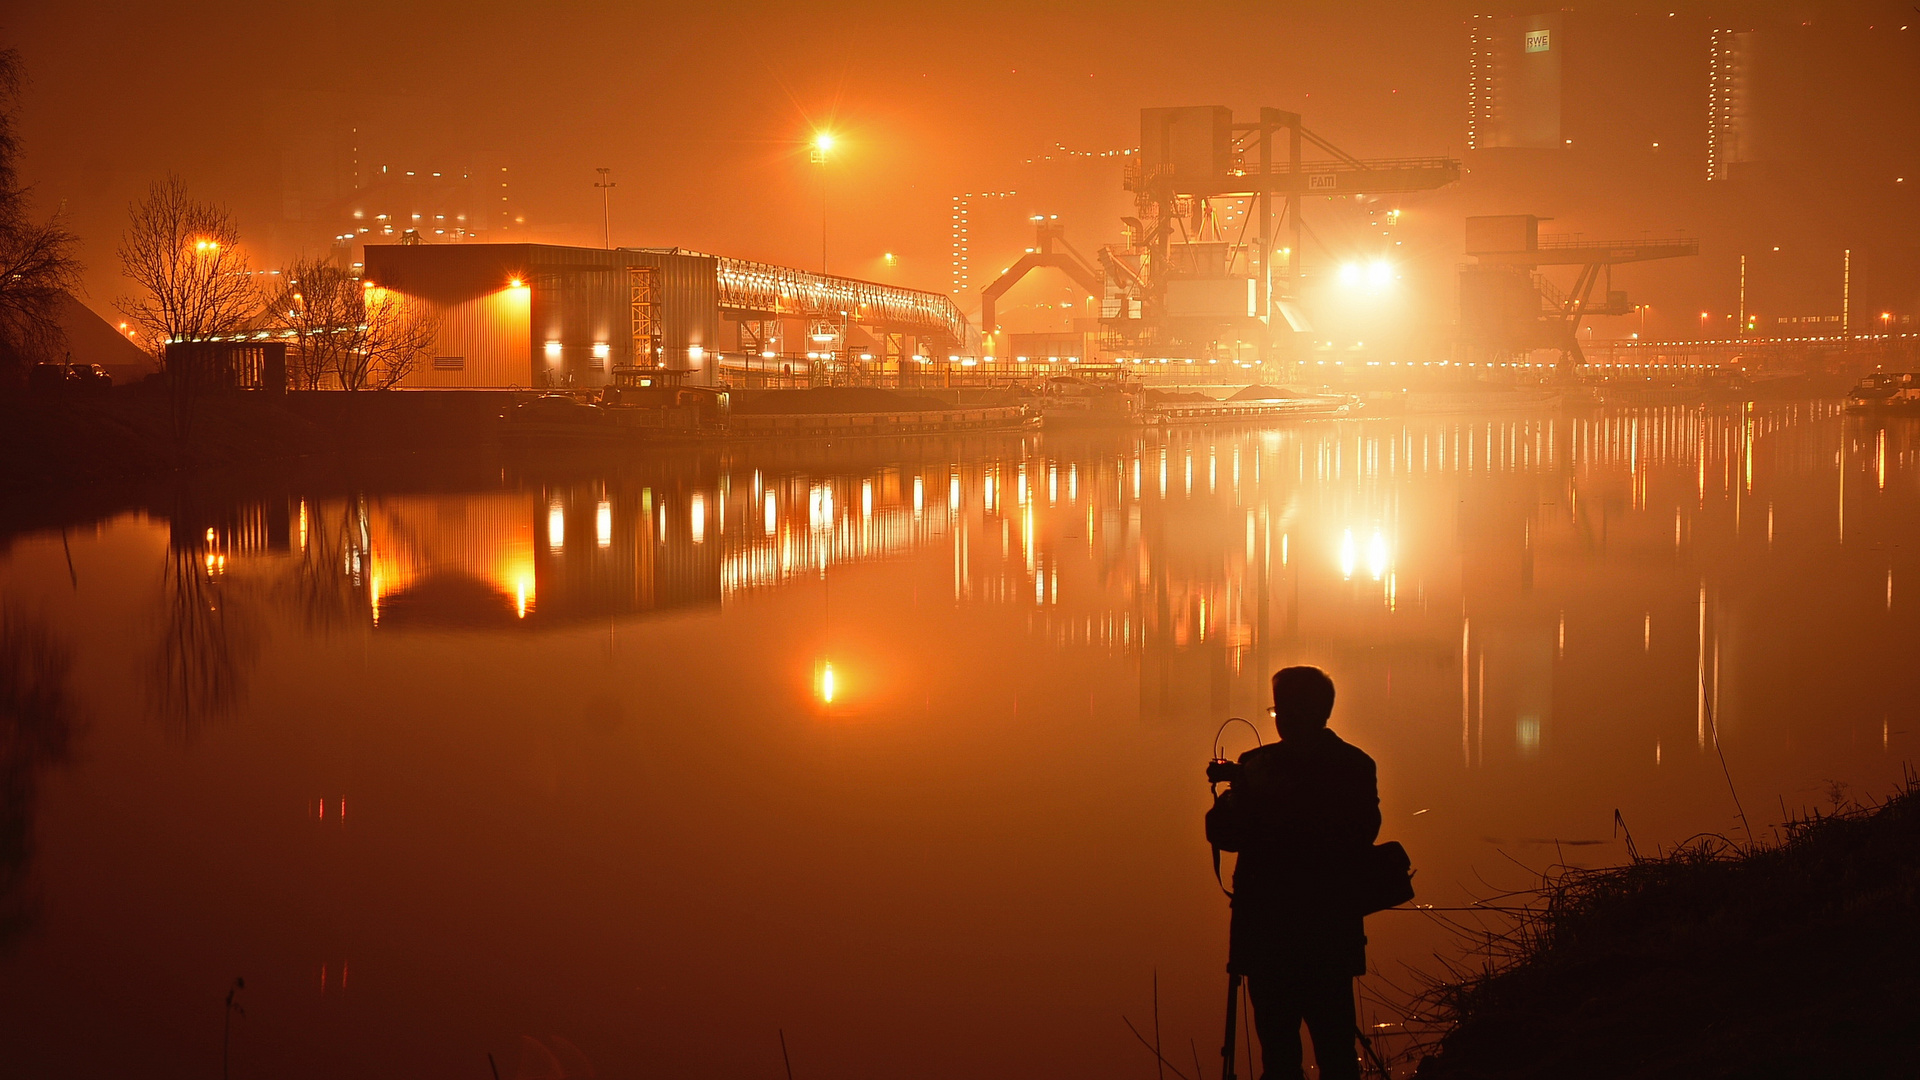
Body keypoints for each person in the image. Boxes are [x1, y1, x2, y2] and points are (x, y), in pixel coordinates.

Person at [1206, 666, 1379, 1080]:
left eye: (1281, 708)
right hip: (1331, 933)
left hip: (1269, 933)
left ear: (1298, 712)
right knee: (1337, 1051)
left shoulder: (1258, 766)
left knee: (1280, 1057)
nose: (1279, 717)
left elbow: (1225, 834)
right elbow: (1364, 833)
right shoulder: (1356, 765)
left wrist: (1232, 793)